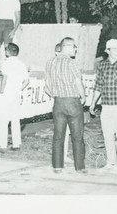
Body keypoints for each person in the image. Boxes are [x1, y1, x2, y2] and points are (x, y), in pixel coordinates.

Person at [90, 39, 117, 173]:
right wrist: (93, 102)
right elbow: (98, 86)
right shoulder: (102, 66)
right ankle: (111, 162)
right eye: (114, 49)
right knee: (107, 134)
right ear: (108, 51)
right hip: (106, 106)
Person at [45, 37, 87, 173]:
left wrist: (55, 95)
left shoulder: (50, 62)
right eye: (74, 47)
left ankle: (57, 166)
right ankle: (79, 168)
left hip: (58, 103)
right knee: (77, 136)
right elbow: (77, 82)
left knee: (58, 136)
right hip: (72, 102)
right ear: (67, 46)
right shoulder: (71, 63)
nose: (76, 50)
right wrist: (84, 96)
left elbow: (47, 86)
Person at [0, 43, 29, 149]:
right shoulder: (21, 64)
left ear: (9, 52)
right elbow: (26, 81)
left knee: (4, 119)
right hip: (16, 94)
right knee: (15, 119)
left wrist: (1, 90)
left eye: (6, 50)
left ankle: (3, 144)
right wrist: (19, 88)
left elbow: (4, 79)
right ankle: (16, 144)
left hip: (7, 93)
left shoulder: (6, 63)